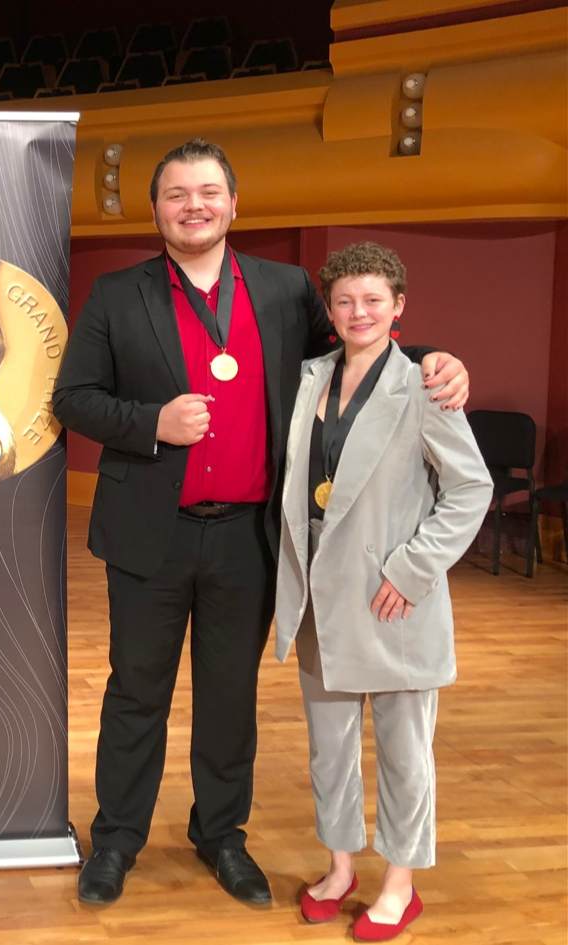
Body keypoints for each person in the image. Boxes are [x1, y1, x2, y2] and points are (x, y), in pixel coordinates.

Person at [52, 139, 472, 907]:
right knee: (136, 690)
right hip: (152, 533)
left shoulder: (285, 290)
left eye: (208, 191)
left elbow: (362, 350)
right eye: (177, 194)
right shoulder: (117, 293)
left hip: (253, 536)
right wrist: (151, 422)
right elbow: (73, 398)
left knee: (227, 694)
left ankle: (221, 835)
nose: (194, 206)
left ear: (234, 204)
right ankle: (116, 838)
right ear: (158, 210)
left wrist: (441, 360)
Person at [276, 243, 490, 941]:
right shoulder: (310, 377)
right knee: (329, 749)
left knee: (404, 752)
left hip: (391, 597)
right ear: (329, 310)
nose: (357, 312)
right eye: (343, 300)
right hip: (321, 599)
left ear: (399, 307)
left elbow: (470, 489)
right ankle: (340, 868)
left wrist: (413, 567)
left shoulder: (426, 386)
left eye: (373, 299)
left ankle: (399, 883)